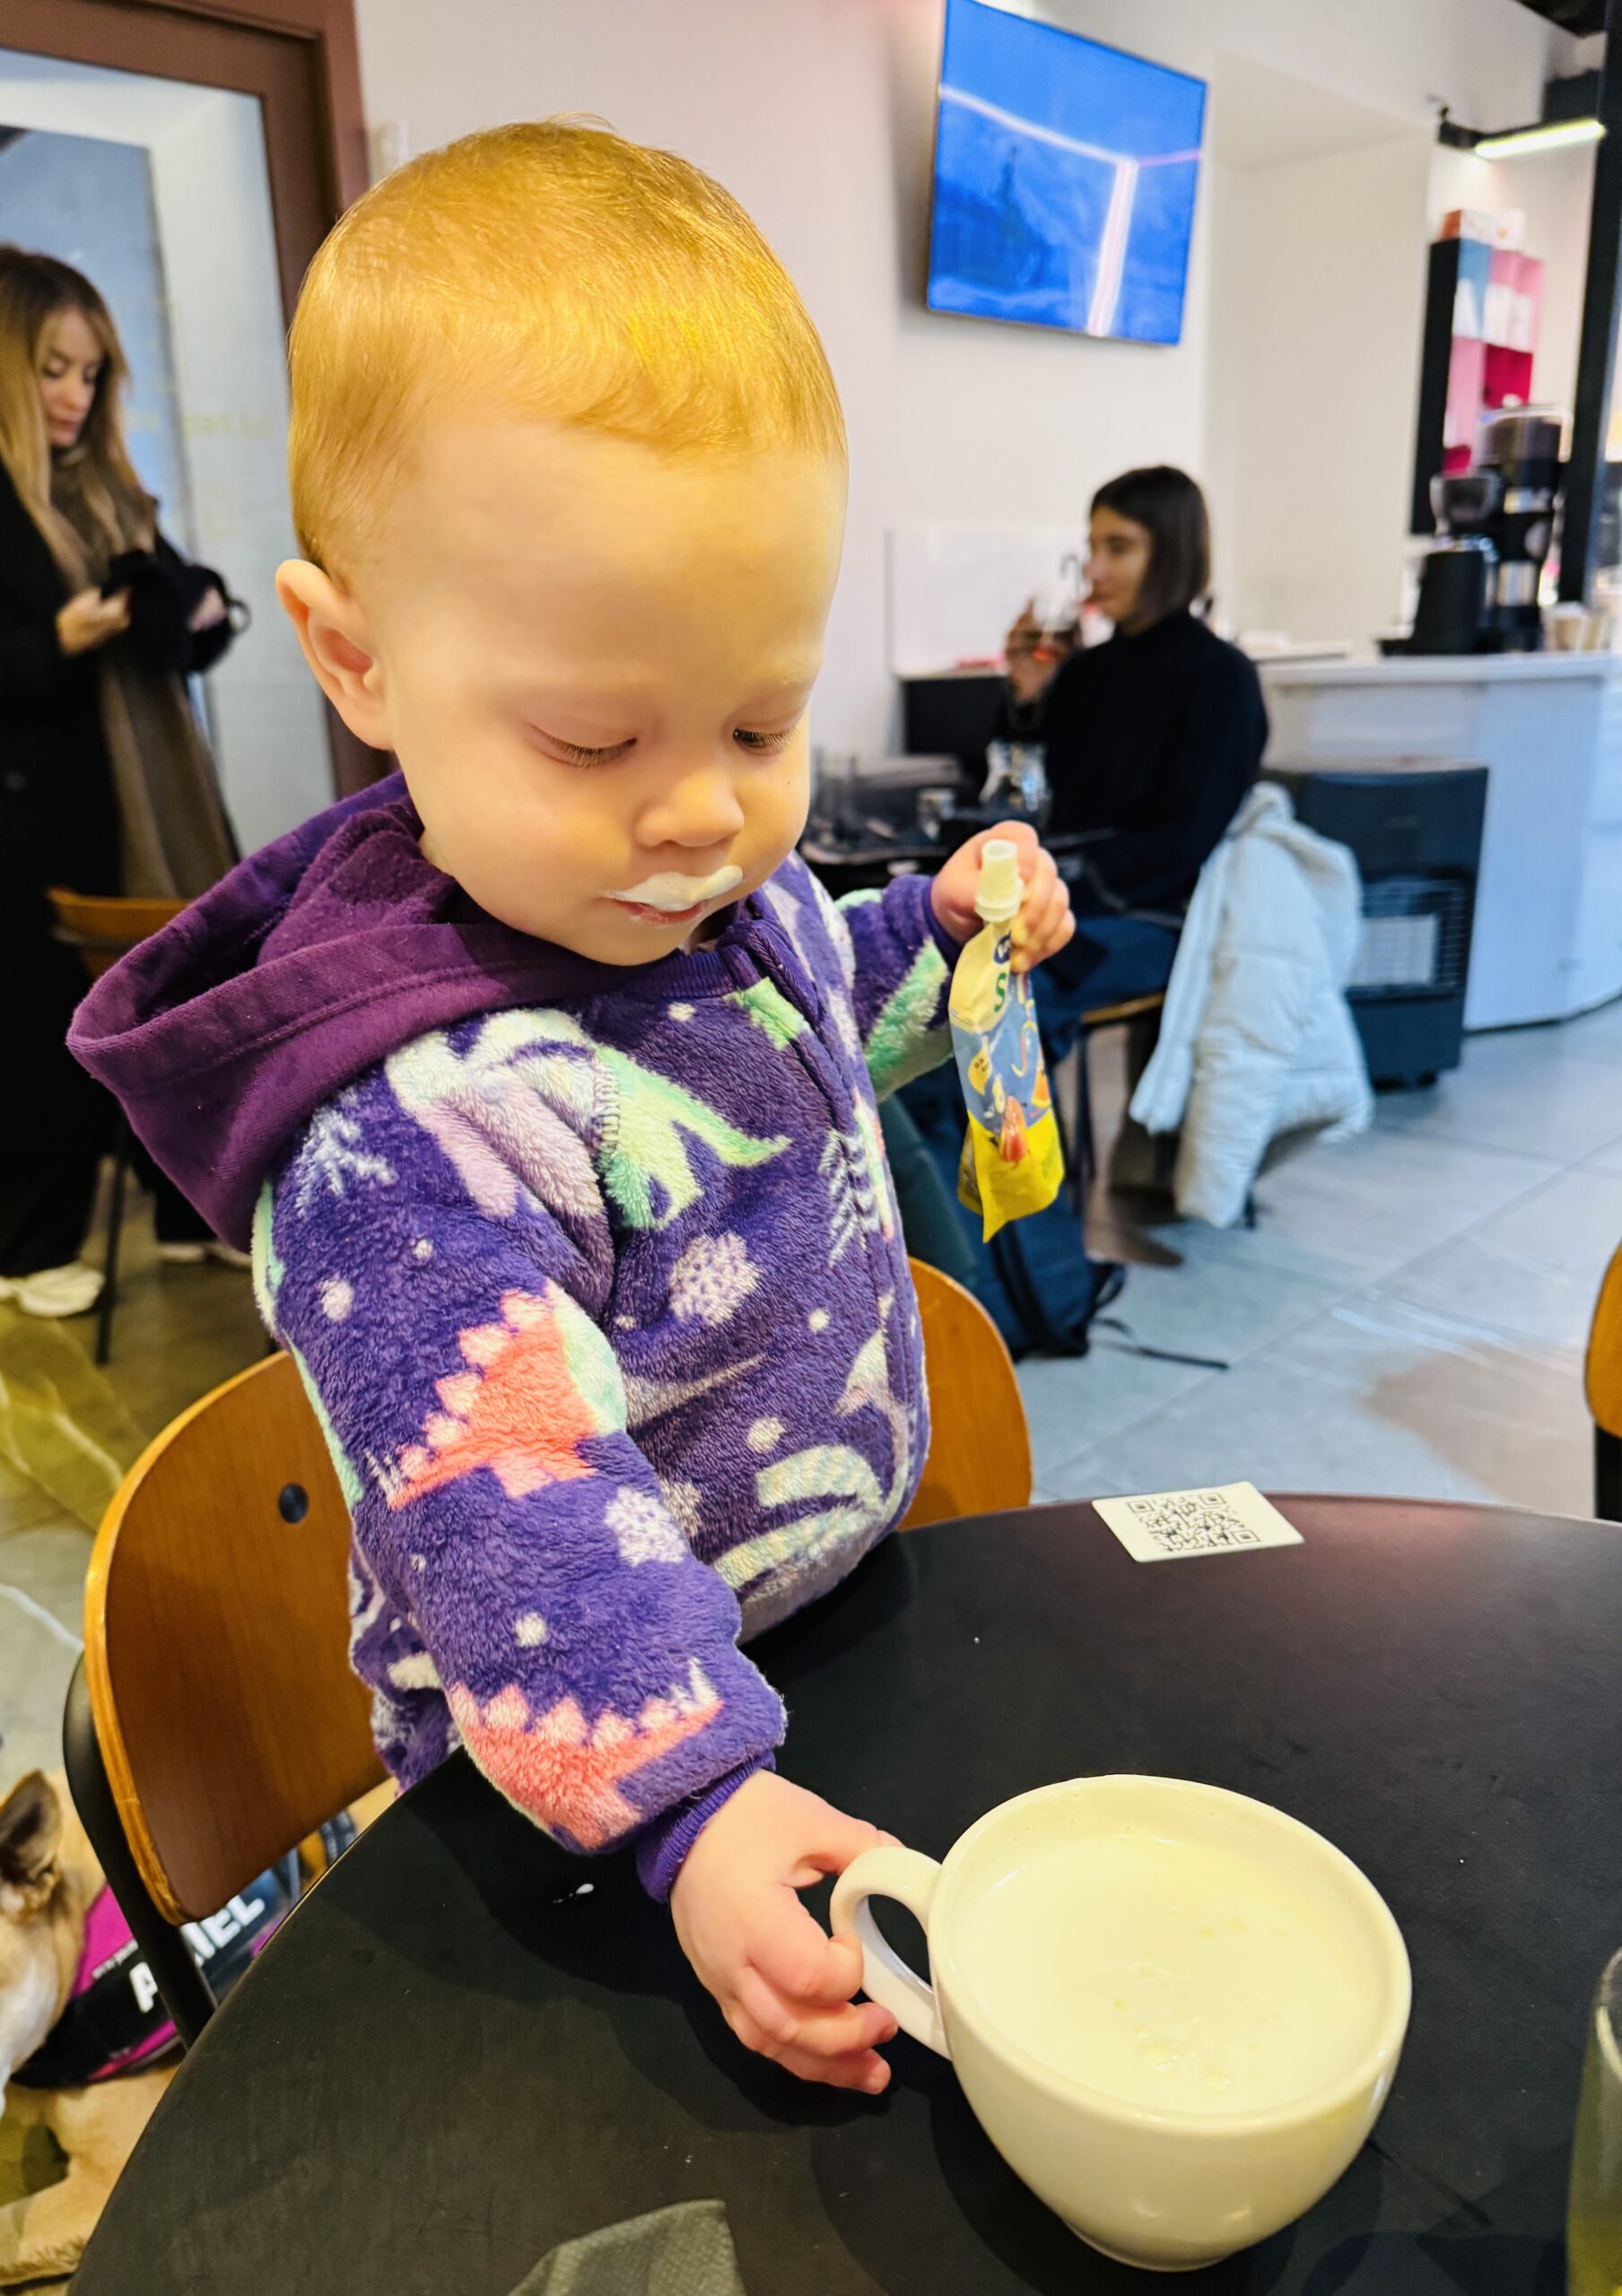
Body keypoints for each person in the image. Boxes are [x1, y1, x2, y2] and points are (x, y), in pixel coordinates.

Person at [71, 122, 1073, 2098]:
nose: (704, 806)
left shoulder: (693, 881)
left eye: (762, 723)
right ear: (358, 657)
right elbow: (518, 1524)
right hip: (592, 1768)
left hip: (829, 1625)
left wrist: (926, 933)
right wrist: (693, 1814)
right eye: (600, 735)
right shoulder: (411, 1130)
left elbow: (797, 1025)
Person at [0, 248, 244, 1318]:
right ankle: (25, 1244)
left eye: (90, 374)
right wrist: (56, 636)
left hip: (139, 792)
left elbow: (166, 609)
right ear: (0, 360)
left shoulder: (100, 481)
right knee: (35, 1022)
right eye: (53, 368)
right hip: (10, 806)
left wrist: (195, 610)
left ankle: (186, 1209)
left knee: (170, 987)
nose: (73, 395)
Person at [997, 465, 1268, 1061]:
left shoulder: (1220, 678)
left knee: (1000, 994)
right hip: (1072, 898)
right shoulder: (1088, 672)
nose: (1094, 571)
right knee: (939, 973)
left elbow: (1183, 841)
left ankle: (1003, 1154)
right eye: (1093, 548)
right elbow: (1024, 796)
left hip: (1160, 919)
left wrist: (1063, 888)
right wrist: (1028, 697)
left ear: (1171, 552)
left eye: (1118, 548)